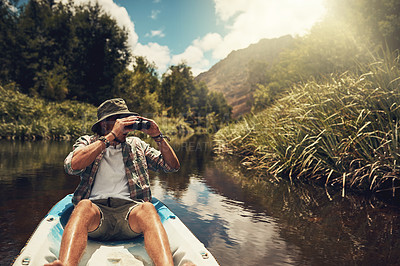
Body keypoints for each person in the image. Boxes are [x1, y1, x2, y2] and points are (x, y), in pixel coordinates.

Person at [46, 98, 180, 266]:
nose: (126, 126)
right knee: (83, 206)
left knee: (148, 208)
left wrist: (158, 136)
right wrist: (110, 137)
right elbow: (71, 166)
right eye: (120, 121)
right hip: (96, 215)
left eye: (128, 121)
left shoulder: (137, 144)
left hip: (131, 215)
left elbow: (171, 166)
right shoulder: (88, 142)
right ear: (104, 124)